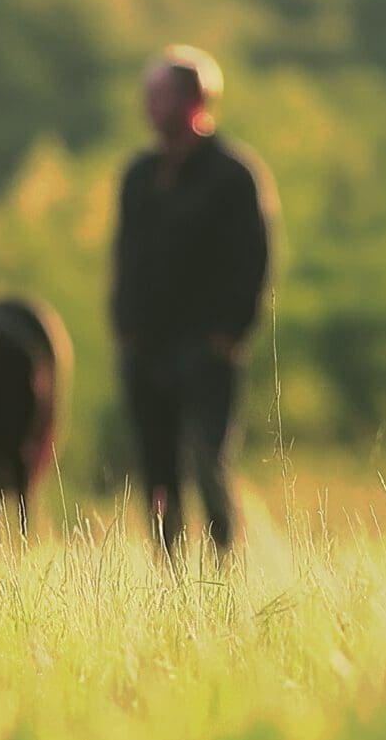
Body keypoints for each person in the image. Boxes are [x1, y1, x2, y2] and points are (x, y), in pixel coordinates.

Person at [109, 45, 276, 558]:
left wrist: (229, 335)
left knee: (209, 464)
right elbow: (124, 258)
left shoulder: (233, 175)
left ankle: (225, 570)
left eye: (158, 96)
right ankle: (170, 577)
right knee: (158, 475)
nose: (149, 107)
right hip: (147, 351)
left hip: (207, 350)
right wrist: (125, 329)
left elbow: (255, 260)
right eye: (148, 96)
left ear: (194, 101)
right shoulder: (139, 175)